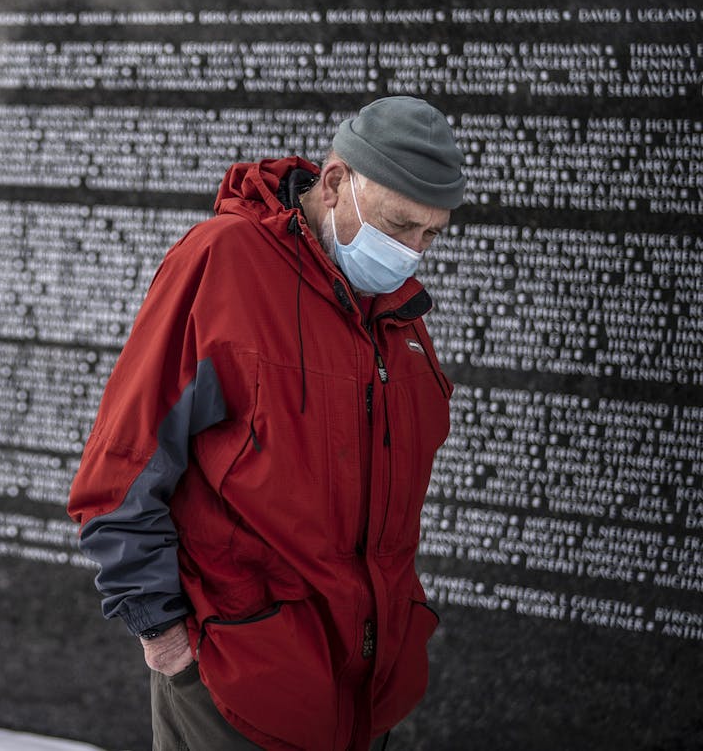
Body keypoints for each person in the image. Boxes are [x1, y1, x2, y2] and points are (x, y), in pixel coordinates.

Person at [67, 97, 465, 751]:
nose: (412, 251)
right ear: (336, 183)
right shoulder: (223, 262)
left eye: (431, 233)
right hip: (238, 688)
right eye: (399, 225)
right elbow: (120, 475)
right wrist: (167, 642)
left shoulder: (394, 312)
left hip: (369, 696)